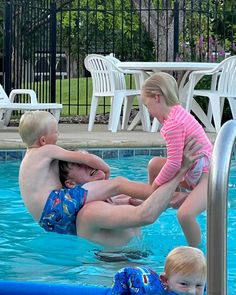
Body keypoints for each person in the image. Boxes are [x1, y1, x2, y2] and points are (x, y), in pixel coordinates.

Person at [19, 110, 155, 236]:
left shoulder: (27, 161)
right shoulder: (46, 150)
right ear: (43, 140)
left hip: (47, 222)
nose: (58, 135)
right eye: (56, 132)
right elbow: (86, 159)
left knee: (112, 199)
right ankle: (153, 192)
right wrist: (106, 169)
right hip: (56, 204)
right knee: (118, 185)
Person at [58, 138, 202, 247]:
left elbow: (165, 203)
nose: (90, 164)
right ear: (71, 184)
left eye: (90, 158)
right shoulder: (90, 211)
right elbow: (146, 215)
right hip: (114, 275)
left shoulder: (117, 197)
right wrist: (180, 172)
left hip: (138, 265)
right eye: (80, 164)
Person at [141, 72, 213, 247]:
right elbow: (175, 162)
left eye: (147, 105)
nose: (149, 113)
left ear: (157, 97)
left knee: (185, 215)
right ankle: (166, 200)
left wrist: (155, 186)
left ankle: (196, 254)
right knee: (155, 165)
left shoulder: (174, 124)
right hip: (194, 171)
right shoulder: (177, 113)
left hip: (207, 176)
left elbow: (173, 163)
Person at [109, 246, 206, 295]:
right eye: (184, 284)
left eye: (199, 285)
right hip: (128, 277)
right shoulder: (152, 291)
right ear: (165, 280)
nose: (192, 291)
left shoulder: (199, 284)